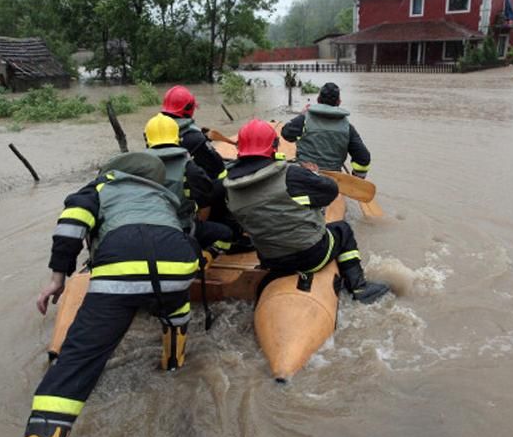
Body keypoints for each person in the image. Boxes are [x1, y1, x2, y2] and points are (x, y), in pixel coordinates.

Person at [18, 152, 200, 437]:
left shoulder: (100, 188)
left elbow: (71, 224)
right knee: (176, 310)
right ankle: (173, 367)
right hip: (177, 264)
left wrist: (57, 278)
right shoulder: (164, 196)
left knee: (75, 365)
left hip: (121, 264)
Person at [223, 119, 389, 304]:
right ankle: (360, 287)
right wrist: (313, 175)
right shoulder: (291, 175)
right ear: (274, 146)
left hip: (270, 259)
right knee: (343, 230)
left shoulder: (228, 188)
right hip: (309, 255)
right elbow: (330, 192)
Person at [161, 85, 250, 251]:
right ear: (189, 109)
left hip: (167, 192)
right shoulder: (195, 138)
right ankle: (232, 235)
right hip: (189, 195)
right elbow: (217, 168)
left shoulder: (156, 131)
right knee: (227, 181)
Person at [144, 113, 233, 253]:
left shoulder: (138, 167)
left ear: (147, 139)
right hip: (182, 228)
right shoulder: (190, 168)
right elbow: (205, 204)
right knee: (226, 234)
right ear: (178, 137)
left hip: (148, 229)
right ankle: (206, 255)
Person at [281, 82, 372, 179]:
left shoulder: (304, 119)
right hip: (332, 180)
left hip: (304, 174)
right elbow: (363, 158)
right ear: (339, 102)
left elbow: (286, 133)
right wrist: (357, 177)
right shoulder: (348, 128)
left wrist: (302, 115)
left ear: (318, 100)